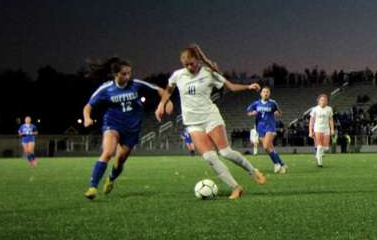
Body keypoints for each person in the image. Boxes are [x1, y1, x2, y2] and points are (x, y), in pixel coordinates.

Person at [155, 44, 266, 200]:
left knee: (225, 152)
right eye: (186, 65)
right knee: (209, 157)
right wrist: (161, 104)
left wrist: (248, 86)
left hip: (210, 117)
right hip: (193, 123)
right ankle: (235, 187)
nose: (189, 67)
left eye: (192, 63)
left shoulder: (209, 73)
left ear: (198, 61)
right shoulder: (178, 75)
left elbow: (231, 87)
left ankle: (252, 171)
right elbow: (169, 89)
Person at [81, 58, 170, 200]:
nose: (127, 76)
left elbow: (160, 90)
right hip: (113, 124)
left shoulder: (136, 84)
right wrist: (87, 118)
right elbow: (88, 106)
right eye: (124, 74)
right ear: (115, 74)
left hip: (132, 129)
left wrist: (167, 101)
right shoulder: (106, 88)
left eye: (129, 73)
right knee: (108, 152)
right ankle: (93, 187)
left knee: (120, 160)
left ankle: (111, 178)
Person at [246, 87, 287, 173]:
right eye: (264, 92)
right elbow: (248, 112)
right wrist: (252, 113)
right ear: (261, 93)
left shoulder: (273, 103)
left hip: (270, 127)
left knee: (265, 146)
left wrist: (277, 114)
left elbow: (280, 113)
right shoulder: (256, 103)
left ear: (269, 94)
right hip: (260, 127)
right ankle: (282, 164)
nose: (265, 93)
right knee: (270, 148)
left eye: (267, 92)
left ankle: (276, 164)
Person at [309, 93, 334, 167]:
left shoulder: (329, 109)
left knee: (326, 147)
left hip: (326, 128)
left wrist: (332, 129)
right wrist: (310, 131)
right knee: (319, 146)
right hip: (318, 128)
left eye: (325, 100)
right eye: (322, 100)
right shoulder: (315, 109)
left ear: (327, 101)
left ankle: (318, 154)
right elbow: (311, 121)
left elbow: (331, 120)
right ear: (318, 101)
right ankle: (319, 163)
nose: (323, 101)